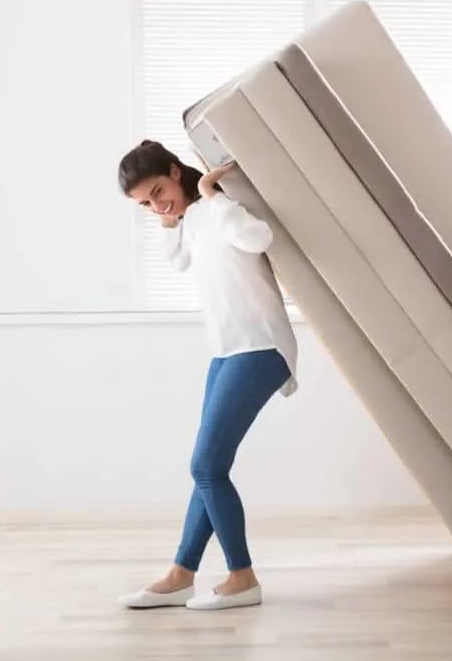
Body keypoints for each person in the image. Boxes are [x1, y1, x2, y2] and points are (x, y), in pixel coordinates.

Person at [115, 140, 298, 611]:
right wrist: (168, 217)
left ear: (176, 172)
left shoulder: (220, 207)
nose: (158, 205)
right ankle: (181, 575)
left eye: (158, 192)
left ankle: (243, 578)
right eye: (145, 204)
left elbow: (258, 239)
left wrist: (211, 193)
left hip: (260, 346)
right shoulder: (192, 219)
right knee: (208, 469)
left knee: (205, 467)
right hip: (226, 352)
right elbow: (177, 259)